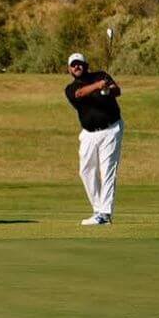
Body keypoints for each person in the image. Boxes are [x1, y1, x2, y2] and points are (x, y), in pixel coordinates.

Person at [64, 52, 124, 226]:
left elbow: (117, 91)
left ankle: (105, 213)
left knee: (107, 170)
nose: (77, 67)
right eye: (73, 65)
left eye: (79, 64)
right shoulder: (70, 89)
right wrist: (98, 86)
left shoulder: (101, 75)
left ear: (86, 66)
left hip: (111, 129)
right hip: (89, 134)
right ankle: (98, 209)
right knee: (86, 171)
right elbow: (80, 94)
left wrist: (108, 90)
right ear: (69, 69)